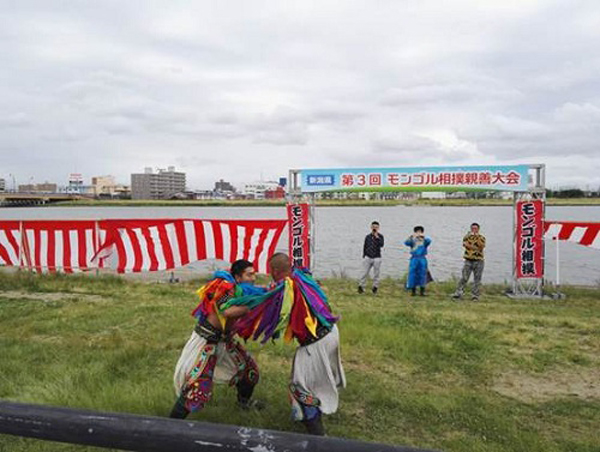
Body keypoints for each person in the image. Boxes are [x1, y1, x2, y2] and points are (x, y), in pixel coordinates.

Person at [221, 253, 346, 436]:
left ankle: (319, 437)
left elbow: (265, 303)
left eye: (271, 270)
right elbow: (273, 289)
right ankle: (314, 416)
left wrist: (236, 306)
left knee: (299, 390)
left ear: (275, 270)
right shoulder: (301, 277)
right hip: (331, 333)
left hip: (315, 343)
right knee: (311, 380)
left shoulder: (286, 289)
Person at [169, 259, 266, 419]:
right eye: (249, 274)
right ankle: (171, 425)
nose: (253, 278)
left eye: (254, 274)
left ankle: (243, 404)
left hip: (225, 342)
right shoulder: (224, 287)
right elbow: (226, 311)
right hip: (207, 342)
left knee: (250, 372)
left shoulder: (241, 289)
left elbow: (256, 291)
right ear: (238, 276)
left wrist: (271, 291)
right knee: (197, 387)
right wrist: (253, 306)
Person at [452, 223, 486, 302]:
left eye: (475, 228)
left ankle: (475, 296)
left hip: (479, 261)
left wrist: (476, 238)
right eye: (473, 228)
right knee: (464, 278)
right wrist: (474, 247)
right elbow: (465, 245)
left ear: (478, 229)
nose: (474, 230)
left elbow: (481, 246)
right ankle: (458, 293)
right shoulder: (467, 237)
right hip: (468, 260)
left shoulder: (482, 237)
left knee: (477, 279)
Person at [404, 226, 432, 296]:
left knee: (422, 274)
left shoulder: (424, 240)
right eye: (417, 232)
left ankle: (422, 292)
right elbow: (406, 243)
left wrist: (423, 236)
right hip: (414, 259)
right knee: (412, 274)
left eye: (420, 231)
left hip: (422, 259)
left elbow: (429, 241)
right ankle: (413, 291)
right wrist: (412, 236)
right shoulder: (412, 240)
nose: (418, 233)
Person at [358, 221, 384, 294]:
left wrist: (377, 237)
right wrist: (364, 255)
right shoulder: (367, 236)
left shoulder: (380, 236)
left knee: (376, 273)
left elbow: (381, 245)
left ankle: (375, 287)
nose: (374, 228)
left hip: (377, 257)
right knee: (364, 272)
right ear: (371, 227)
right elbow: (365, 246)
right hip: (368, 257)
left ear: (378, 228)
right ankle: (361, 286)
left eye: (376, 227)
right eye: (373, 227)